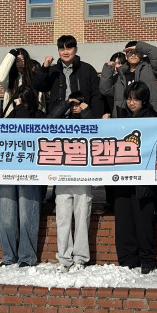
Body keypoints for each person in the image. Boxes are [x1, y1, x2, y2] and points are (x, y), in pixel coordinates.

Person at [113, 81, 157, 273]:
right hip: (122, 177)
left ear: (144, 100)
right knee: (124, 220)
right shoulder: (120, 118)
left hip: (144, 179)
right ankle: (127, 258)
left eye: (136, 99)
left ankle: (147, 258)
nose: (131, 103)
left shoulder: (153, 118)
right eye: (129, 98)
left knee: (143, 220)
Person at [0, 84, 44, 268]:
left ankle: (27, 256)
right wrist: (15, 110)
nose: (20, 104)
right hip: (7, 170)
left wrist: (20, 110)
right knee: (6, 216)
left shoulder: (39, 116)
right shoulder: (9, 116)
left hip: (30, 172)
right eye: (18, 100)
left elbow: (26, 129)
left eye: (24, 101)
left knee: (27, 216)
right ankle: (8, 256)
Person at [50, 92, 93, 272]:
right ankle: (64, 258)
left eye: (78, 103)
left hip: (83, 175)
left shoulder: (89, 117)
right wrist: (65, 105)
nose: (75, 107)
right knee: (63, 219)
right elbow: (50, 120)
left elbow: (95, 128)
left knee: (82, 218)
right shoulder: (62, 121)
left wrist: (86, 111)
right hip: (62, 175)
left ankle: (80, 258)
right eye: (73, 104)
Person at [34, 35, 103, 119]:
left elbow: (96, 96)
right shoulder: (53, 70)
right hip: (58, 118)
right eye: (62, 49)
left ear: (76, 49)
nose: (65, 52)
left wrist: (97, 119)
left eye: (69, 48)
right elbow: (39, 86)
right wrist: (44, 68)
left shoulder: (87, 69)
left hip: (82, 118)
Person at [100, 41, 157, 118]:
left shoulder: (149, 67)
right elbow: (105, 90)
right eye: (130, 53)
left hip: (150, 114)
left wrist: (139, 47)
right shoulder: (120, 74)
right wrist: (107, 69)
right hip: (125, 116)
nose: (133, 55)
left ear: (142, 54)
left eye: (136, 52)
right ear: (126, 57)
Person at [0, 48, 41, 117]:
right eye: (17, 61)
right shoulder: (10, 79)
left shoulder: (33, 77)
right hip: (13, 117)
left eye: (23, 61)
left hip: (32, 117)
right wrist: (11, 54)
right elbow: (0, 78)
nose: (20, 64)